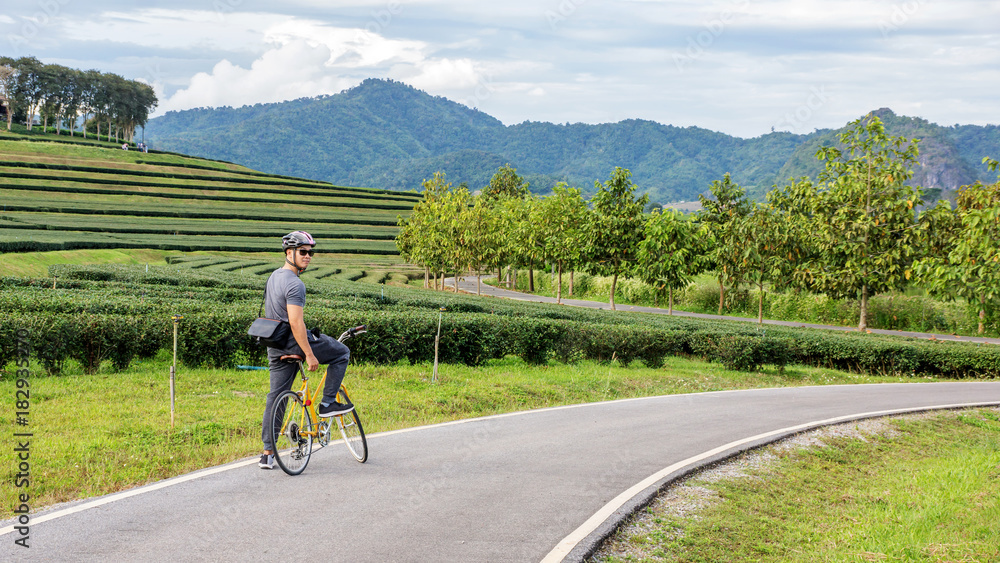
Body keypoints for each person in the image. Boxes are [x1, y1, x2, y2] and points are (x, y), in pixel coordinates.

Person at [258, 231, 353, 470]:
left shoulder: (273, 277)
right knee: (341, 352)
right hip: (293, 341)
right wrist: (309, 353)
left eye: (311, 252)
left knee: (276, 396)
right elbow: (296, 323)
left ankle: (267, 454)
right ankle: (328, 403)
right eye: (303, 252)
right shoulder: (295, 284)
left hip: (274, 344)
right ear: (289, 253)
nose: (308, 256)